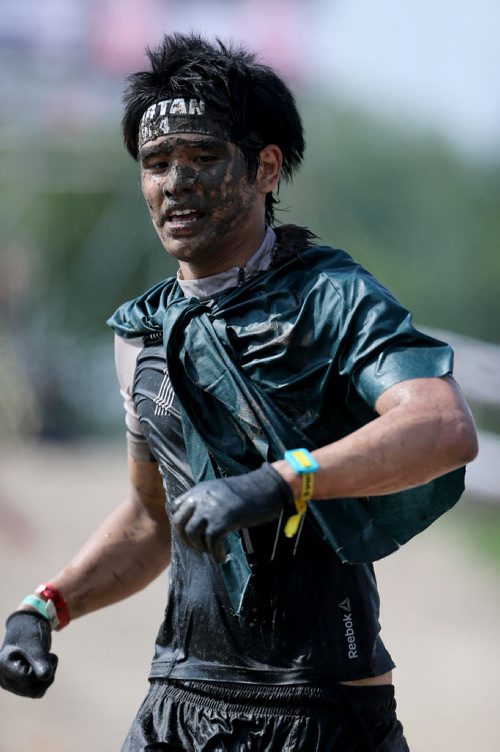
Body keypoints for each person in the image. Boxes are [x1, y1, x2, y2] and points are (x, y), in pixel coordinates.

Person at [0, 33, 478, 751]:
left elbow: (442, 425)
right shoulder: (143, 332)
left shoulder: (332, 297)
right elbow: (152, 516)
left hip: (319, 712)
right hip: (175, 705)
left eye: (202, 158)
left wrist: (286, 480)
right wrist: (43, 607)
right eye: (156, 163)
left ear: (264, 167)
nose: (176, 183)